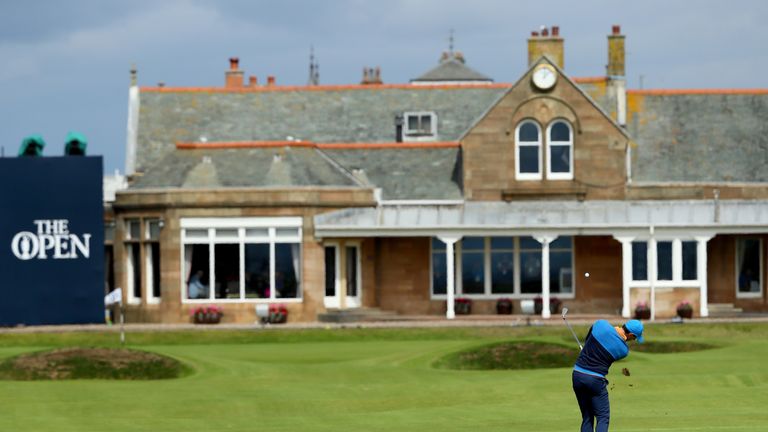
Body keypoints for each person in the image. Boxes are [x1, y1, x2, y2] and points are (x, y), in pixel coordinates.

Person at [572, 319, 645, 432]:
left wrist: (586, 347)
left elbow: (592, 331)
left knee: (587, 417)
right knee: (602, 417)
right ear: (630, 334)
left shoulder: (601, 324)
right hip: (595, 380)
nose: (634, 340)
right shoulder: (623, 350)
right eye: (634, 337)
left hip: (577, 374)